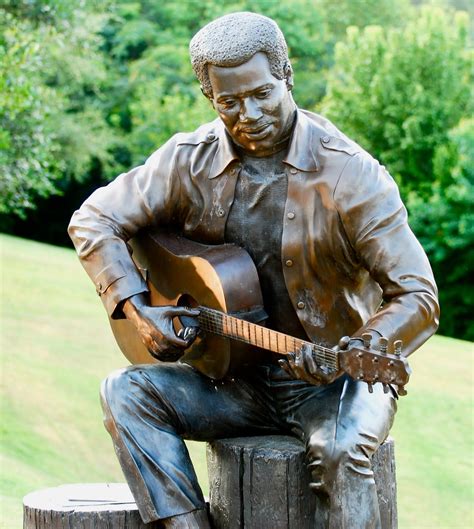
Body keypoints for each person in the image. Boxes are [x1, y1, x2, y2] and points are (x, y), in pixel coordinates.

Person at [68, 12, 439, 529]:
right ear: (210, 99)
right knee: (125, 391)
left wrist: (362, 348)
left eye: (262, 93)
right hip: (232, 380)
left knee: (341, 452)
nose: (250, 113)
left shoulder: (352, 175)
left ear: (287, 76)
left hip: (334, 382)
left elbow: (419, 296)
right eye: (229, 102)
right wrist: (136, 306)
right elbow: (94, 219)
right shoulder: (186, 162)